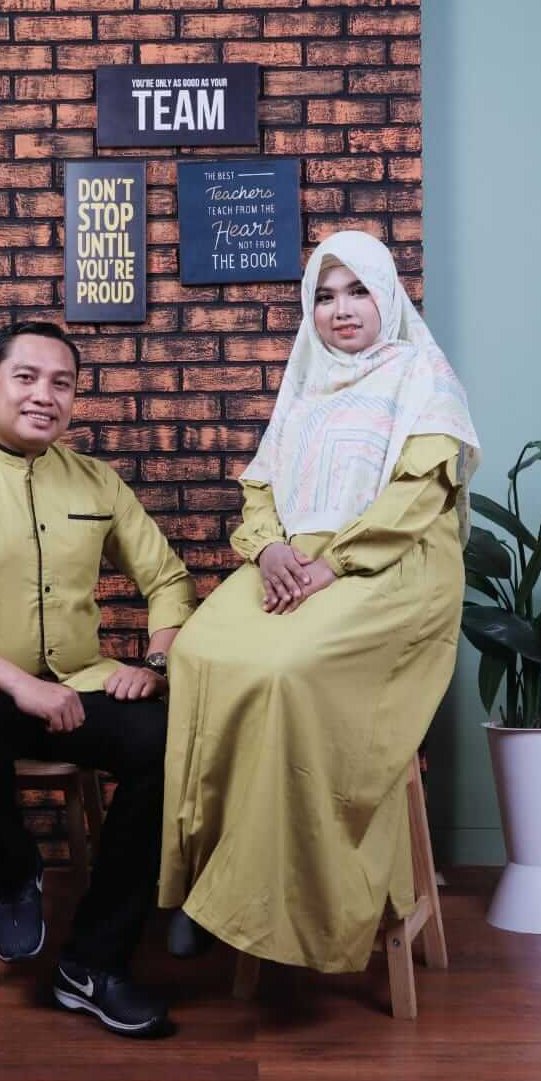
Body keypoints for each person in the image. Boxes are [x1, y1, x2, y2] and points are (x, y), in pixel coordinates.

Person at [159, 230, 480, 975]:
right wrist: (269, 550)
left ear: (387, 296)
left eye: (358, 291)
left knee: (285, 672)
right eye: (325, 296)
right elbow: (261, 486)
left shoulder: (423, 377)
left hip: (392, 563)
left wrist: (334, 563)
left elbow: (416, 498)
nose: (341, 310)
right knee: (199, 654)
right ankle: (199, 881)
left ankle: (261, 901)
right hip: (297, 559)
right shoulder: (305, 383)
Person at [0, 320, 196, 1038]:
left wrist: (154, 664)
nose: (43, 395)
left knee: (168, 741)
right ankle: (14, 864)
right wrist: (20, 686)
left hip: (80, 688)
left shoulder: (95, 481)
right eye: (25, 377)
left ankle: (93, 964)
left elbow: (169, 580)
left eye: (61, 383)